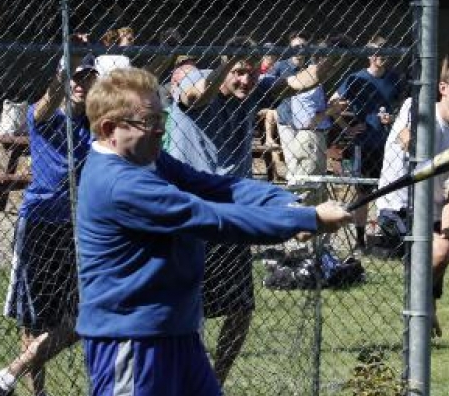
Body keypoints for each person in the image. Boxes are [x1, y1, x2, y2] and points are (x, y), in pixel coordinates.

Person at [75, 67, 350, 396]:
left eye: (162, 118)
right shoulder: (119, 183)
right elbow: (208, 217)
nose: (161, 130)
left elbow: (215, 187)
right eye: (150, 122)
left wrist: (288, 205)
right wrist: (304, 221)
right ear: (109, 129)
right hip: (131, 340)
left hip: (178, 332)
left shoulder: (150, 160)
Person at [168, 36, 348, 386]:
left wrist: (335, 56)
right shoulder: (196, 79)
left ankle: (213, 383)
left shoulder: (254, 89)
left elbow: (302, 81)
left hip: (234, 212)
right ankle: (187, 378)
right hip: (193, 212)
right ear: (223, 65)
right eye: (237, 72)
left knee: (240, 309)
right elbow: (198, 96)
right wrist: (224, 67)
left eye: (251, 72)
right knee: (189, 310)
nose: (245, 80)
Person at [0, 55, 99, 396]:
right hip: (39, 224)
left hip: (77, 229)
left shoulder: (94, 125)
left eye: (87, 77)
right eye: (74, 77)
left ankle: (8, 374)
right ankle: (38, 392)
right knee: (34, 317)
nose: (80, 83)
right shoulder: (46, 117)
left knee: (83, 317)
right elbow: (46, 102)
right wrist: (60, 76)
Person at [374, 61, 449, 336]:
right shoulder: (417, 107)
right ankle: (422, 311)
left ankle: (422, 309)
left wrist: (446, 231)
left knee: (443, 248)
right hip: (398, 205)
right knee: (437, 251)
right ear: (443, 88)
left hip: (433, 212)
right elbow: (405, 139)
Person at [330, 35, 406, 250]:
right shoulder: (356, 78)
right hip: (366, 143)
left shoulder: (395, 79)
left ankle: (390, 236)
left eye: (385, 51)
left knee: (392, 189)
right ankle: (360, 240)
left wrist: (393, 118)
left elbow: (404, 105)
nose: (381, 56)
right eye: (377, 52)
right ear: (369, 55)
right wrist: (347, 127)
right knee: (363, 191)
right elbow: (333, 104)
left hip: (391, 144)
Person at [270, 34, 346, 203]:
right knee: (304, 182)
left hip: (311, 134)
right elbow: (309, 120)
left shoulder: (310, 75)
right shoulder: (301, 80)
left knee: (310, 182)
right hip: (303, 131)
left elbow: (324, 72)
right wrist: (329, 110)